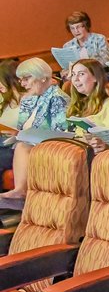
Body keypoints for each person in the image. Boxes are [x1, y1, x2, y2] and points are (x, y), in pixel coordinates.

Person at [0, 58, 70, 209]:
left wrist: (26, 135)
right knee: (20, 144)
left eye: (26, 79)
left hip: (49, 145)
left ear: (43, 77)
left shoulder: (57, 98)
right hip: (28, 141)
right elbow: (24, 128)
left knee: (22, 146)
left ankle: (19, 192)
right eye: (21, 80)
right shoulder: (28, 100)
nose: (23, 84)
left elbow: (60, 130)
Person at [66, 59, 109, 131]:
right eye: (73, 74)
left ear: (95, 77)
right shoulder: (78, 104)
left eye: (81, 74)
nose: (75, 79)